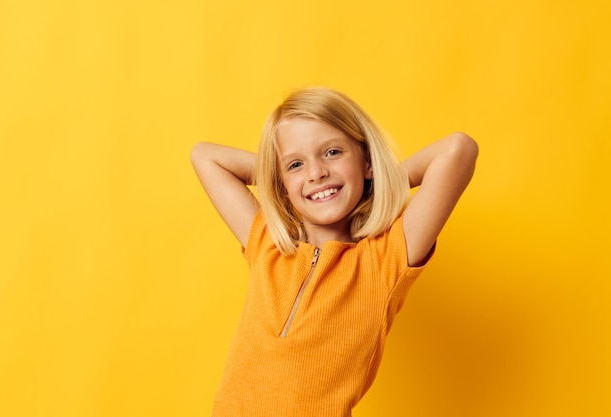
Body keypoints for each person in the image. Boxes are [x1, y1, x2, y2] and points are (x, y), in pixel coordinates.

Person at [191, 87, 478, 417]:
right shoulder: (267, 243)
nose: (316, 174)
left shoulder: (385, 260)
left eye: (332, 153)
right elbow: (204, 156)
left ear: (366, 161)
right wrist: (280, 180)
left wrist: (377, 178)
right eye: (296, 164)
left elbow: (459, 150)